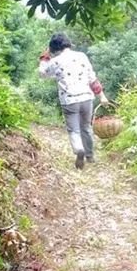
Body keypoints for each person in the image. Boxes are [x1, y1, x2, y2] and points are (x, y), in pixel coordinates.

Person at [38, 33, 109, 169]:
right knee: (86, 128)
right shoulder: (82, 56)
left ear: (54, 47)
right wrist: (102, 96)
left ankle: (79, 149)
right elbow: (92, 78)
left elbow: (42, 73)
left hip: (69, 99)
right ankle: (90, 156)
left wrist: (44, 57)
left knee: (74, 130)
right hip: (86, 97)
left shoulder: (56, 61)